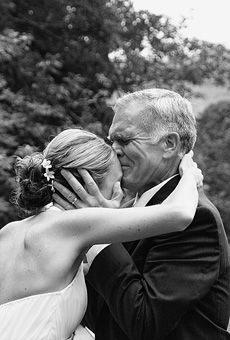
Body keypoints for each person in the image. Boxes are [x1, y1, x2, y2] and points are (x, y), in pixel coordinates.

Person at [55, 89, 230, 340]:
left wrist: (99, 235)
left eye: (124, 141)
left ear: (169, 144)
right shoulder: (123, 210)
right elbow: (104, 317)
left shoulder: (196, 220)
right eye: (111, 141)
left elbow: (144, 323)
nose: (113, 151)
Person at [0, 128, 202, 340]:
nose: (121, 194)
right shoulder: (73, 226)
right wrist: (189, 174)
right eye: (118, 183)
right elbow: (180, 214)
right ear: (90, 184)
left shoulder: (9, 232)